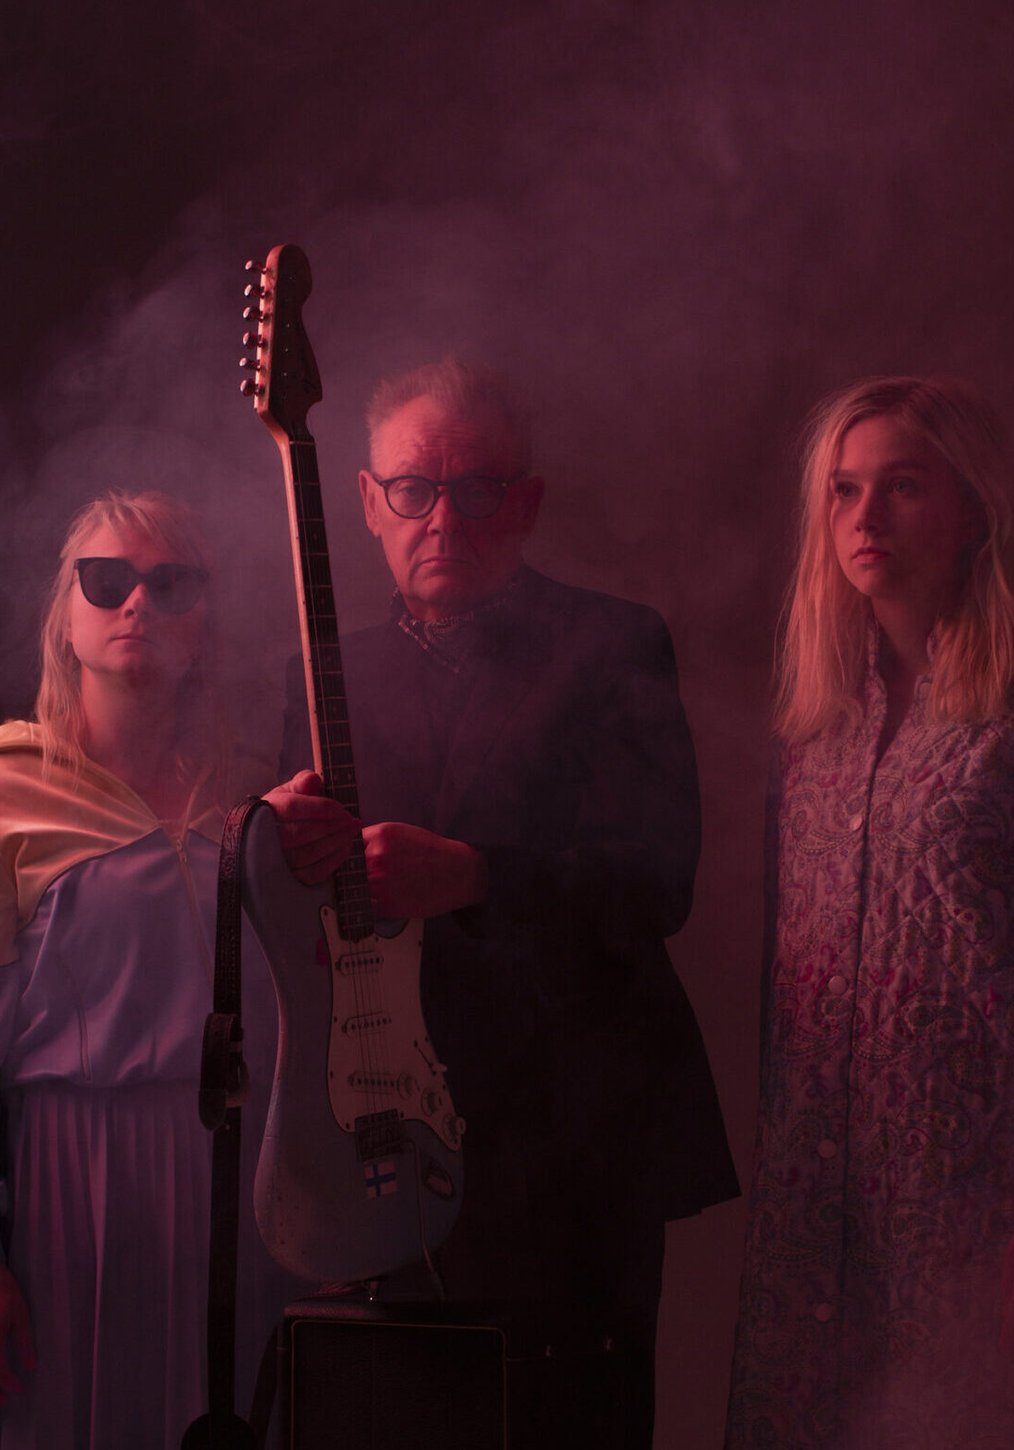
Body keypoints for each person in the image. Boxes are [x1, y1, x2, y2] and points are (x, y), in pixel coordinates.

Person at [263, 359, 739, 1448]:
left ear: (526, 502)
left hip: (578, 1141)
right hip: (379, 1132)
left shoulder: (614, 643)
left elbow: (657, 878)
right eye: (414, 489)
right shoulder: (322, 675)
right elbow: (306, 926)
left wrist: (476, 875)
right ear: (369, 502)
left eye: (477, 488)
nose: (444, 518)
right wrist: (272, 843)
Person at [724, 377, 1014, 1450]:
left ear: (974, 508)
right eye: (843, 490)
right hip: (817, 1221)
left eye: (903, 486)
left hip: (979, 1211)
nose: (865, 517)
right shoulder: (816, 730)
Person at [0, 491, 291, 1448]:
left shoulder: (246, 800)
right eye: (107, 580)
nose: (138, 603)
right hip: (65, 1189)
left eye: (170, 584)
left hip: (223, 1186)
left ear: (202, 626)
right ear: (66, 618)